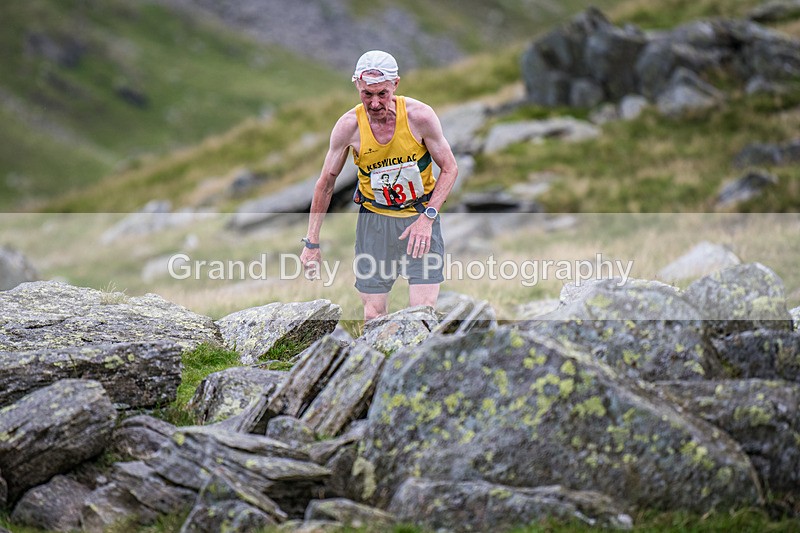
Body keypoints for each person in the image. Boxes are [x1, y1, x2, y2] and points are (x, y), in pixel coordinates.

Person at [300, 50, 458, 321]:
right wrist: (311, 242)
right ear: (357, 86)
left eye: (382, 94)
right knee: (374, 315)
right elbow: (325, 184)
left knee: (422, 313)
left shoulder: (420, 117)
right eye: (367, 94)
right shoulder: (348, 127)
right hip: (374, 223)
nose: (374, 103)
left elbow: (450, 168)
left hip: (420, 218)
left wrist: (427, 218)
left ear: (395, 84)